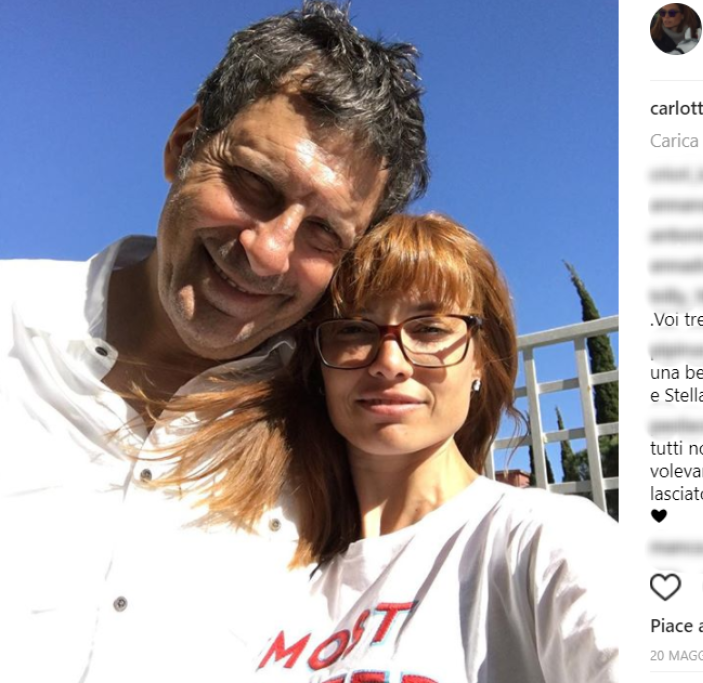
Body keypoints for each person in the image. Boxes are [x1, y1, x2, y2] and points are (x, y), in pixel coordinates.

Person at [0, 3, 428, 681]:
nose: (268, 251)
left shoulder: (335, 437)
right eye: (254, 183)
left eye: (324, 232)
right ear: (184, 145)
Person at [158, 214, 621, 681]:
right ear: (320, 365)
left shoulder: (545, 541)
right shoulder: (261, 564)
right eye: (354, 330)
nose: (389, 362)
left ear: (480, 359)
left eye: (430, 329)